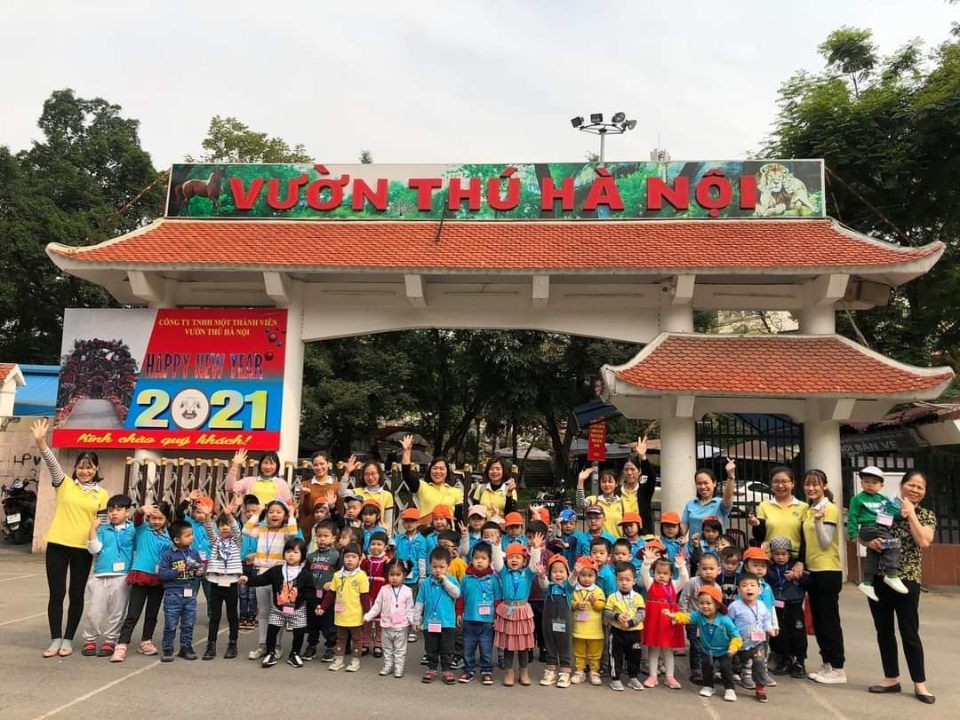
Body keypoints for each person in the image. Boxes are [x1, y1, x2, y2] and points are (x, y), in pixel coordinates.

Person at [33, 418, 109, 658]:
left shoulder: (102, 494)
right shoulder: (64, 484)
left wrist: (100, 549)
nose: (85, 471)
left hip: (82, 549)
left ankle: (68, 639)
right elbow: (51, 462)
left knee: (76, 595)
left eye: (90, 467)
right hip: (58, 544)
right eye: (81, 467)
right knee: (56, 594)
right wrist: (41, 442)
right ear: (75, 468)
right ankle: (55, 638)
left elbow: (102, 525)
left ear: (96, 469)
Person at [866, 470, 936, 705]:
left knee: (909, 632)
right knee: (884, 631)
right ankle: (891, 678)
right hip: (879, 578)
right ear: (902, 485)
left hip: (907, 580)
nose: (915, 490)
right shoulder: (885, 509)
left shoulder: (926, 515)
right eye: (911, 485)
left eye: (920, 487)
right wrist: (869, 541)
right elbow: (866, 534)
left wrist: (911, 513)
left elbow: (923, 541)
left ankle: (919, 683)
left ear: (924, 493)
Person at [800, 469, 846, 684]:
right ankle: (827, 663)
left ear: (824, 486)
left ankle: (838, 667)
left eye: (816, 484)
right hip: (814, 570)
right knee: (818, 620)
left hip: (828, 570)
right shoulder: (809, 509)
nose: (811, 488)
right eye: (808, 484)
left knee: (829, 621)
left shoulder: (830, 509)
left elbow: (826, 542)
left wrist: (819, 521)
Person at [113, 500, 174, 662]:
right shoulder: (142, 529)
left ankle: (146, 641)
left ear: (167, 519)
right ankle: (122, 644)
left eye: (160, 518)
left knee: (152, 614)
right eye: (153, 518)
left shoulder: (169, 536)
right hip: (141, 575)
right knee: (133, 613)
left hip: (159, 578)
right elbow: (137, 519)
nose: (156, 521)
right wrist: (140, 511)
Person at [241, 537, 314, 668]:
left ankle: (295, 654)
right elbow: (262, 579)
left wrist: (316, 606)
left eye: (295, 552)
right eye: (288, 551)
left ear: (302, 555)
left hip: (298, 609)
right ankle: (270, 653)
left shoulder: (306, 574)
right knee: (272, 630)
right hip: (278, 608)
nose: (291, 555)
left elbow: (310, 592)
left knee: (299, 632)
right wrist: (248, 580)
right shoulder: (276, 570)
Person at [242, 499, 299, 659]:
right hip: (261, 573)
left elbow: (293, 533)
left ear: (284, 516)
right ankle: (262, 645)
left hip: (278, 575)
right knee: (263, 612)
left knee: (277, 612)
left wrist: (292, 514)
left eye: (279, 512)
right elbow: (246, 530)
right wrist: (258, 512)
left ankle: (276, 646)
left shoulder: (286, 531)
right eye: (271, 512)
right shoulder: (261, 529)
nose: (274, 515)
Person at [664, 585, 742, 702]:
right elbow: (687, 617)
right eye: (701, 603)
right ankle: (708, 686)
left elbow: (736, 636)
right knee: (706, 667)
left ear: (717, 604)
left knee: (725, 669)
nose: (704, 606)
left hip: (724, 651)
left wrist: (733, 647)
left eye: (708, 603)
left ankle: (729, 688)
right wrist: (673, 616)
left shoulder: (725, 620)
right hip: (707, 650)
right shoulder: (698, 616)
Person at [80, 494, 135, 657]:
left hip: (122, 576)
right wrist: (92, 529)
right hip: (100, 575)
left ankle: (111, 640)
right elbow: (94, 549)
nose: (114, 513)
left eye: (118, 510)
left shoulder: (132, 530)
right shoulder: (103, 529)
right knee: (94, 611)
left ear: (127, 512)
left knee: (117, 612)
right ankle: (90, 639)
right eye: (111, 510)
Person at [848, 466, 909, 600]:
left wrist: (902, 514)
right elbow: (852, 517)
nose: (870, 485)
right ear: (861, 483)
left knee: (873, 555)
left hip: (881, 528)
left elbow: (892, 513)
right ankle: (892, 575)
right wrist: (853, 534)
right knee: (893, 544)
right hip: (868, 528)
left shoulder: (884, 499)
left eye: (874, 482)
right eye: (866, 481)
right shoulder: (857, 499)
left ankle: (867, 583)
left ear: (881, 485)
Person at [492, 534, 543, 686]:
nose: (514, 560)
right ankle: (509, 672)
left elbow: (534, 563)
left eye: (517, 557)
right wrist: (496, 546)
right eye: (510, 557)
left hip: (522, 611)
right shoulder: (503, 572)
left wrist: (535, 548)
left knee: (523, 646)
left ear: (524, 561)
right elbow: (497, 562)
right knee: (509, 646)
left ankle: (524, 671)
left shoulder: (527, 573)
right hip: (507, 610)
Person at [201, 495, 245, 660]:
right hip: (216, 582)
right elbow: (209, 530)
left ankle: (232, 644)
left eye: (227, 525)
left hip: (232, 582)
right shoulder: (216, 542)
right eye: (221, 525)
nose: (225, 528)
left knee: (233, 616)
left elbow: (236, 529)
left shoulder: (237, 542)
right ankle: (210, 645)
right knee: (215, 616)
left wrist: (229, 515)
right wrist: (207, 516)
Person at [157, 520, 205, 662]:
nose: (192, 538)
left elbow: (200, 569)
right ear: (177, 540)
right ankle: (167, 648)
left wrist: (199, 572)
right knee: (171, 624)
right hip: (173, 595)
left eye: (192, 534)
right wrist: (176, 571)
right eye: (188, 536)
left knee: (188, 623)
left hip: (190, 594)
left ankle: (186, 647)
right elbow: (162, 575)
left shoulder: (194, 553)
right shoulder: (168, 555)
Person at [639, 552, 689, 689]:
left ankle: (670, 677)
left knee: (668, 650)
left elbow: (685, 579)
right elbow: (644, 573)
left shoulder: (674, 585)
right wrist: (647, 562)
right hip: (654, 620)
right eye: (658, 572)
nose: (661, 575)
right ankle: (653, 676)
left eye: (665, 573)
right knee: (653, 649)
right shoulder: (650, 583)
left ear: (671, 574)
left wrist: (681, 566)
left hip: (668, 620)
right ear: (653, 572)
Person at [456, 541, 502, 684]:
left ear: (490, 560)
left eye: (483, 558)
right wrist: (459, 613)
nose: (479, 561)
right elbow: (460, 597)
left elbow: (498, 599)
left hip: (487, 621)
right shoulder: (466, 578)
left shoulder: (493, 579)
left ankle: (486, 670)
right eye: (476, 558)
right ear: (471, 559)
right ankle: (468, 670)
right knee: (468, 647)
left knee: (486, 647)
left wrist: (497, 617)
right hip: (469, 619)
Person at [321, 542, 370, 672]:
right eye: (347, 556)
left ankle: (355, 660)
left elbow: (365, 597)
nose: (350, 560)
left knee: (357, 639)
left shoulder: (362, 576)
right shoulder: (337, 575)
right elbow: (331, 594)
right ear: (343, 558)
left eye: (353, 557)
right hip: (340, 615)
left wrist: (368, 613)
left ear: (359, 559)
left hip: (355, 615)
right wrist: (323, 607)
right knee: (340, 638)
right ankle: (339, 659)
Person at [416, 546, 462, 684]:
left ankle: (446, 669)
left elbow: (456, 594)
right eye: (435, 567)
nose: (438, 570)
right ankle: (432, 668)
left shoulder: (451, 580)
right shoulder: (426, 583)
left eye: (442, 567)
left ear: (448, 566)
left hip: (447, 622)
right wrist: (416, 620)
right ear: (430, 566)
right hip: (430, 622)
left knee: (447, 647)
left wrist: (445, 581)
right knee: (431, 647)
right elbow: (419, 602)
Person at [727, 572, 775, 703]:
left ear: (759, 589)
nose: (749, 588)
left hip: (757, 643)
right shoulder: (734, 606)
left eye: (753, 585)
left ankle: (760, 688)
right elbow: (728, 622)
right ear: (739, 590)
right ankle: (728, 684)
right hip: (739, 642)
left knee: (759, 663)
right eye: (744, 585)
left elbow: (766, 620)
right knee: (732, 663)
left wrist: (769, 628)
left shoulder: (762, 606)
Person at [363, 558, 416, 678]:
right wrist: (368, 616)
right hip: (386, 625)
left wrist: (413, 622)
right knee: (387, 648)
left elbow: (410, 609)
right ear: (387, 575)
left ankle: (398, 667)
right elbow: (377, 606)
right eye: (392, 575)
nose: (394, 578)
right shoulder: (383, 589)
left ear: (404, 575)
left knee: (400, 649)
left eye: (398, 575)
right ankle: (388, 666)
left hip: (401, 626)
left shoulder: (407, 591)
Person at [767, 536, 808, 678]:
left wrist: (797, 577)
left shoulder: (796, 567)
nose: (780, 557)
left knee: (798, 633)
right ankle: (784, 659)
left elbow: (809, 581)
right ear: (771, 554)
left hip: (794, 604)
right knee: (780, 633)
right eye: (776, 554)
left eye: (784, 554)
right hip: (777, 605)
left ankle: (799, 661)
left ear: (789, 554)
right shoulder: (769, 568)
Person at [400, 435, 462, 525]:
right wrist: (407, 451)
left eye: (441, 469)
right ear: (430, 470)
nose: (438, 471)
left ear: (447, 472)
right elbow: (406, 474)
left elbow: (458, 519)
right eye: (435, 468)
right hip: (426, 530)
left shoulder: (456, 492)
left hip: (446, 532)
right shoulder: (422, 486)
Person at [603, 562, 646, 692]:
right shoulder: (612, 597)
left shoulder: (638, 597)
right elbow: (606, 612)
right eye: (621, 579)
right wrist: (617, 616)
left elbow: (641, 614)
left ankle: (633, 677)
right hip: (617, 632)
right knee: (615, 655)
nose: (624, 583)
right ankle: (615, 679)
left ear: (634, 581)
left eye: (627, 580)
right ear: (616, 580)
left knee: (634, 656)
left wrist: (630, 623)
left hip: (634, 632)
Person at [749, 466, 809, 559]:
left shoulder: (803, 507)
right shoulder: (764, 506)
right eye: (776, 482)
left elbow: (806, 538)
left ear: (792, 484)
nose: (780, 486)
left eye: (784, 482)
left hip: (794, 558)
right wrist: (756, 525)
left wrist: (800, 561)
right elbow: (759, 537)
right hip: (770, 558)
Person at [678, 552, 720, 683]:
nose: (708, 572)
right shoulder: (693, 582)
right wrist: (684, 615)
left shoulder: (717, 588)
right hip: (693, 620)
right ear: (699, 568)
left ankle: (708, 670)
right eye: (704, 568)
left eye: (711, 568)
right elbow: (684, 598)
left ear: (718, 570)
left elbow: (718, 605)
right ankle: (696, 670)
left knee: (708, 646)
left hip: (709, 621)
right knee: (696, 646)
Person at [536, 554, 576, 688]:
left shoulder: (568, 588)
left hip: (565, 621)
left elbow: (572, 581)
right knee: (550, 643)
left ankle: (565, 672)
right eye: (554, 571)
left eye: (561, 571)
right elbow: (543, 584)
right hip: (548, 620)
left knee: (565, 644)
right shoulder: (549, 588)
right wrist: (542, 576)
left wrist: (575, 573)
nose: (558, 574)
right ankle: (551, 670)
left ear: (567, 573)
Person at [681, 460, 735, 553]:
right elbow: (682, 530)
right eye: (699, 483)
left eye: (706, 483)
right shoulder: (690, 504)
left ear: (714, 483)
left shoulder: (720, 503)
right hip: (694, 552)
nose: (703, 486)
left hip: (716, 553)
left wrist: (730, 477)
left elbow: (728, 497)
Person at [570, 557, 606, 686]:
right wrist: (576, 605)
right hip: (579, 628)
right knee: (579, 651)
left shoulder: (598, 590)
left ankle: (594, 671)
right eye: (583, 575)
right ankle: (579, 671)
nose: (586, 578)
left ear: (595, 576)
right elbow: (570, 602)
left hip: (595, 630)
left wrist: (595, 603)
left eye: (590, 576)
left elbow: (602, 605)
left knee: (595, 653)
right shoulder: (575, 589)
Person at [227, 448, 293, 507]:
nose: (268, 467)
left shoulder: (282, 484)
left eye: (271, 463)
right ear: (260, 464)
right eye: (265, 463)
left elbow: (289, 505)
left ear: (277, 466)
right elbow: (230, 488)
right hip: (251, 517)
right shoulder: (249, 481)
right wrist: (235, 465)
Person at [619, 436, 659, 533]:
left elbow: (652, 477)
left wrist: (643, 457)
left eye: (632, 469)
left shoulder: (644, 490)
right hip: (622, 536)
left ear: (639, 471)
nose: (629, 473)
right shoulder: (617, 492)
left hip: (643, 536)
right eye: (626, 470)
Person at [297, 451, 342, 536]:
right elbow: (302, 511)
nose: (319, 467)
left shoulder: (337, 486)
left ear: (328, 464)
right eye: (315, 465)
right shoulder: (305, 485)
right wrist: (302, 495)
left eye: (322, 464)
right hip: (309, 529)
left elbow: (340, 510)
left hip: (329, 532)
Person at [577, 468, 623, 537]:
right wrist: (580, 481)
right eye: (603, 482)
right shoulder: (594, 500)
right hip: (597, 542)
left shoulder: (622, 502)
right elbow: (580, 504)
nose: (607, 484)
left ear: (616, 484)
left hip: (617, 542)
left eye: (610, 482)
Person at [239, 495, 261, 629]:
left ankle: (252, 616)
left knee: (253, 593)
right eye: (248, 511)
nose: (251, 513)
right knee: (242, 592)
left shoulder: (263, 528)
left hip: (256, 565)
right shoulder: (242, 527)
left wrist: (255, 555)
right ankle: (243, 616)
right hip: (242, 564)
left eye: (254, 511)